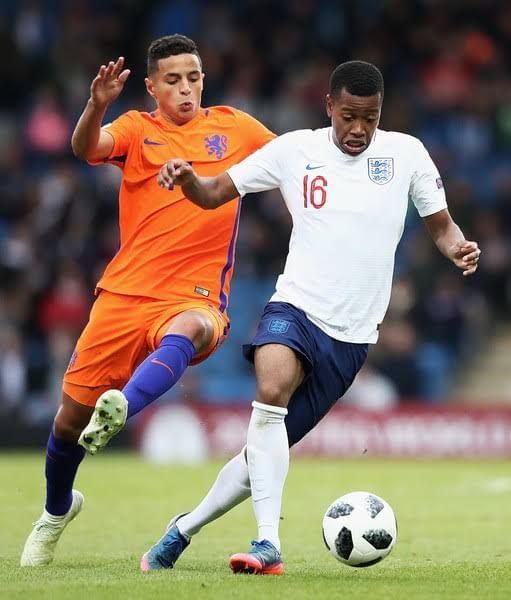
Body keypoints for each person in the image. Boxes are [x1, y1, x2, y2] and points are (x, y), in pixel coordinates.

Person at [142, 60, 481, 575]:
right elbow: (213, 193)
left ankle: (183, 529)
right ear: (329, 107)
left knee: (260, 457)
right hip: (296, 306)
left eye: (370, 117)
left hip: (351, 339)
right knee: (271, 389)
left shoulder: (406, 153)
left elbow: (442, 225)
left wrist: (458, 248)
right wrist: (188, 178)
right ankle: (267, 544)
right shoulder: (294, 150)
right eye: (349, 116)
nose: (359, 129)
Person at [20, 34, 275, 567]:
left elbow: (297, 160)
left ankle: (124, 409)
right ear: (153, 86)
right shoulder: (137, 129)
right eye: (174, 80)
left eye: (194, 77)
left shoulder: (237, 128)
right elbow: (85, 149)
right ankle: (55, 511)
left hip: (195, 294)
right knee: (67, 422)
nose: (186, 88)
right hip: (124, 295)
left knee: (195, 329)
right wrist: (96, 105)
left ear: (204, 79)